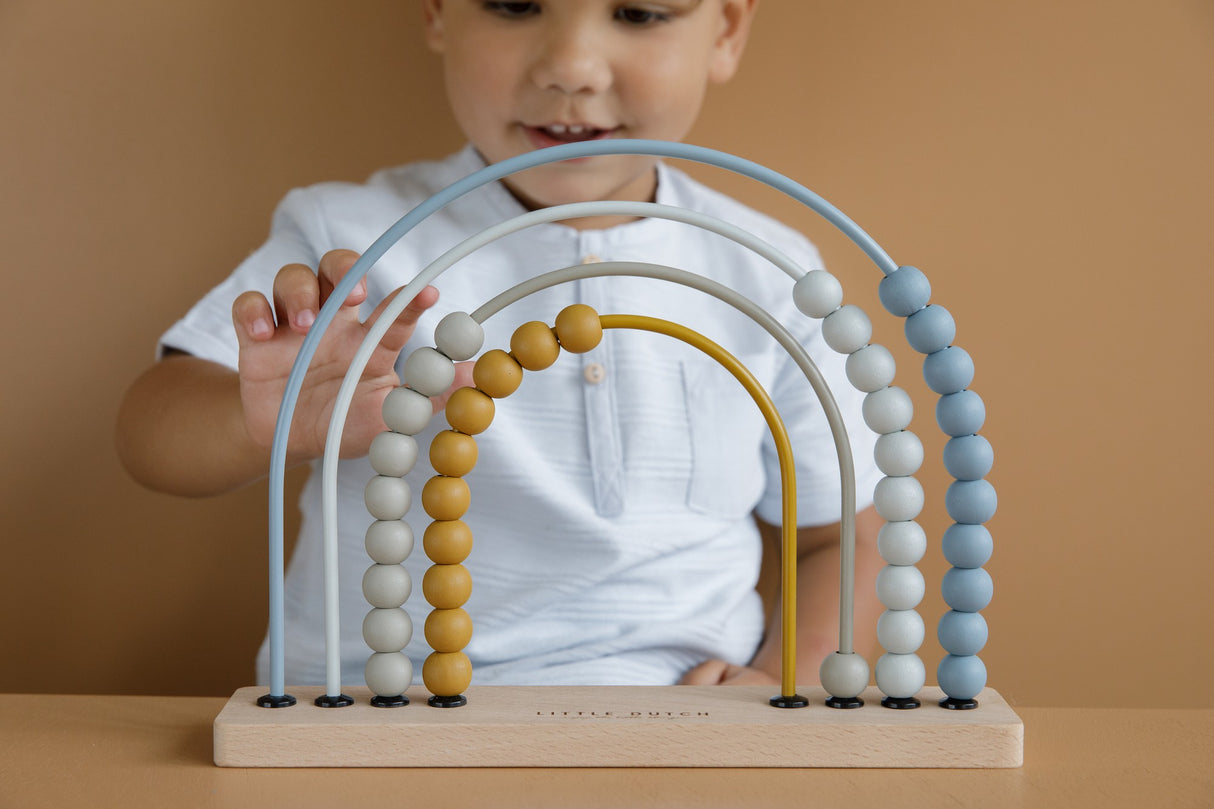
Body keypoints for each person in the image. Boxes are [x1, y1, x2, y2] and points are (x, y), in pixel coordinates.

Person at [116, 0, 884, 690]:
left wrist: (791, 682)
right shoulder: (348, 248)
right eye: (515, 5)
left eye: (641, 13)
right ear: (438, 12)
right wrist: (265, 419)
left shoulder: (770, 273)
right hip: (376, 724)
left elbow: (841, 536)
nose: (571, 67)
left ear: (727, 29)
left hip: (682, 730)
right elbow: (152, 432)